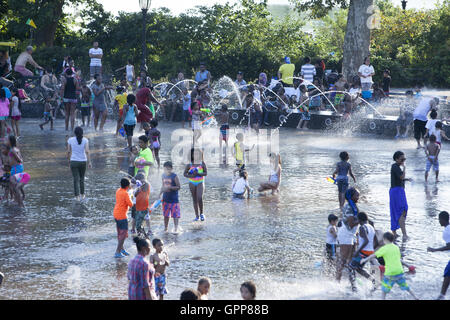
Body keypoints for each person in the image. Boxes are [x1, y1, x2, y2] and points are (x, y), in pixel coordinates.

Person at [361, 232, 419, 300]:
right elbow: (399, 259)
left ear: (385, 239)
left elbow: (373, 255)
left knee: (384, 289)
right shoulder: (396, 247)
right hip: (399, 271)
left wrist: (364, 260)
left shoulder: (384, 248)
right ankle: (415, 297)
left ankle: (379, 297)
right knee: (405, 286)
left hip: (390, 273)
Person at [336, 187, 360, 289]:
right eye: (357, 195)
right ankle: (337, 283)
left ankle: (353, 284)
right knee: (343, 260)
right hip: (346, 234)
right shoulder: (350, 207)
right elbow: (350, 224)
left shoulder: (352, 205)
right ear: (351, 196)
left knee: (352, 261)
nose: (359, 197)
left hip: (351, 234)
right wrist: (363, 220)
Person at [349, 212, 378, 291]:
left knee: (350, 267)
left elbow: (366, 240)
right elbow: (376, 242)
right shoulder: (371, 227)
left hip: (363, 252)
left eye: (357, 219)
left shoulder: (362, 227)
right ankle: (373, 280)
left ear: (359, 220)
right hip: (369, 253)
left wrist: (357, 251)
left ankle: (354, 288)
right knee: (358, 268)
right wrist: (370, 250)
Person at [427, 211, 450, 300]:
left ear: (443, 220)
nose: (439, 221)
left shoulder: (446, 232)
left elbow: (449, 247)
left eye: (439, 219)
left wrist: (434, 250)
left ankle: (442, 295)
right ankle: (442, 295)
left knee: (447, 273)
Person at [390, 151, 411, 241]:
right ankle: (405, 234)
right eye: (402, 159)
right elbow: (401, 177)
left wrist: (406, 179)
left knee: (395, 211)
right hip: (397, 191)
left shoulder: (396, 167)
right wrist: (405, 168)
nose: (403, 161)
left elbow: (399, 178)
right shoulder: (395, 166)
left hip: (396, 191)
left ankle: (394, 233)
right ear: (396, 159)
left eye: (404, 159)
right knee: (402, 210)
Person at [67, 127, 91, 201]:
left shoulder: (70, 140)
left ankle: (77, 197)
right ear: (82, 132)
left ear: (75, 133)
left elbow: (68, 151)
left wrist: (69, 161)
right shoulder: (85, 140)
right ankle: (83, 195)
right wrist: (89, 162)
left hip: (73, 161)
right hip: (83, 161)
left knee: (75, 179)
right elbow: (87, 151)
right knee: (82, 179)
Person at [184, 148, 207, 222]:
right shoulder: (189, 164)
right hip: (192, 183)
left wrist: (198, 174)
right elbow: (185, 174)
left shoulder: (202, 163)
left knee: (199, 197)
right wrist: (191, 176)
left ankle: (202, 213)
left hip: (200, 182)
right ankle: (196, 216)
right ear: (192, 155)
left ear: (200, 155)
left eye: (198, 154)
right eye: (194, 154)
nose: (196, 155)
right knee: (194, 199)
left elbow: (205, 173)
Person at [113, 178, 133, 258]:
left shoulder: (118, 191)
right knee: (123, 235)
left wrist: (129, 192)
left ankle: (122, 249)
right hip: (122, 216)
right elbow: (131, 204)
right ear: (128, 185)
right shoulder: (125, 194)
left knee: (119, 233)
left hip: (116, 214)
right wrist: (131, 195)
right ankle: (117, 252)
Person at [160, 161, 181, 233]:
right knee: (166, 215)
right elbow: (162, 186)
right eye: (165, 169)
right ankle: (165, 228)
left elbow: (178, 186)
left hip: (174, 199)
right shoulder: (163, 175)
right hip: (165, 199)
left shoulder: (174, 176)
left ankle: (176, 228)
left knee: (175, 215)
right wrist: (159, 194)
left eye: (169, 169)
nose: (167, 170)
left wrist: (170, 187)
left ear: (171, 169)